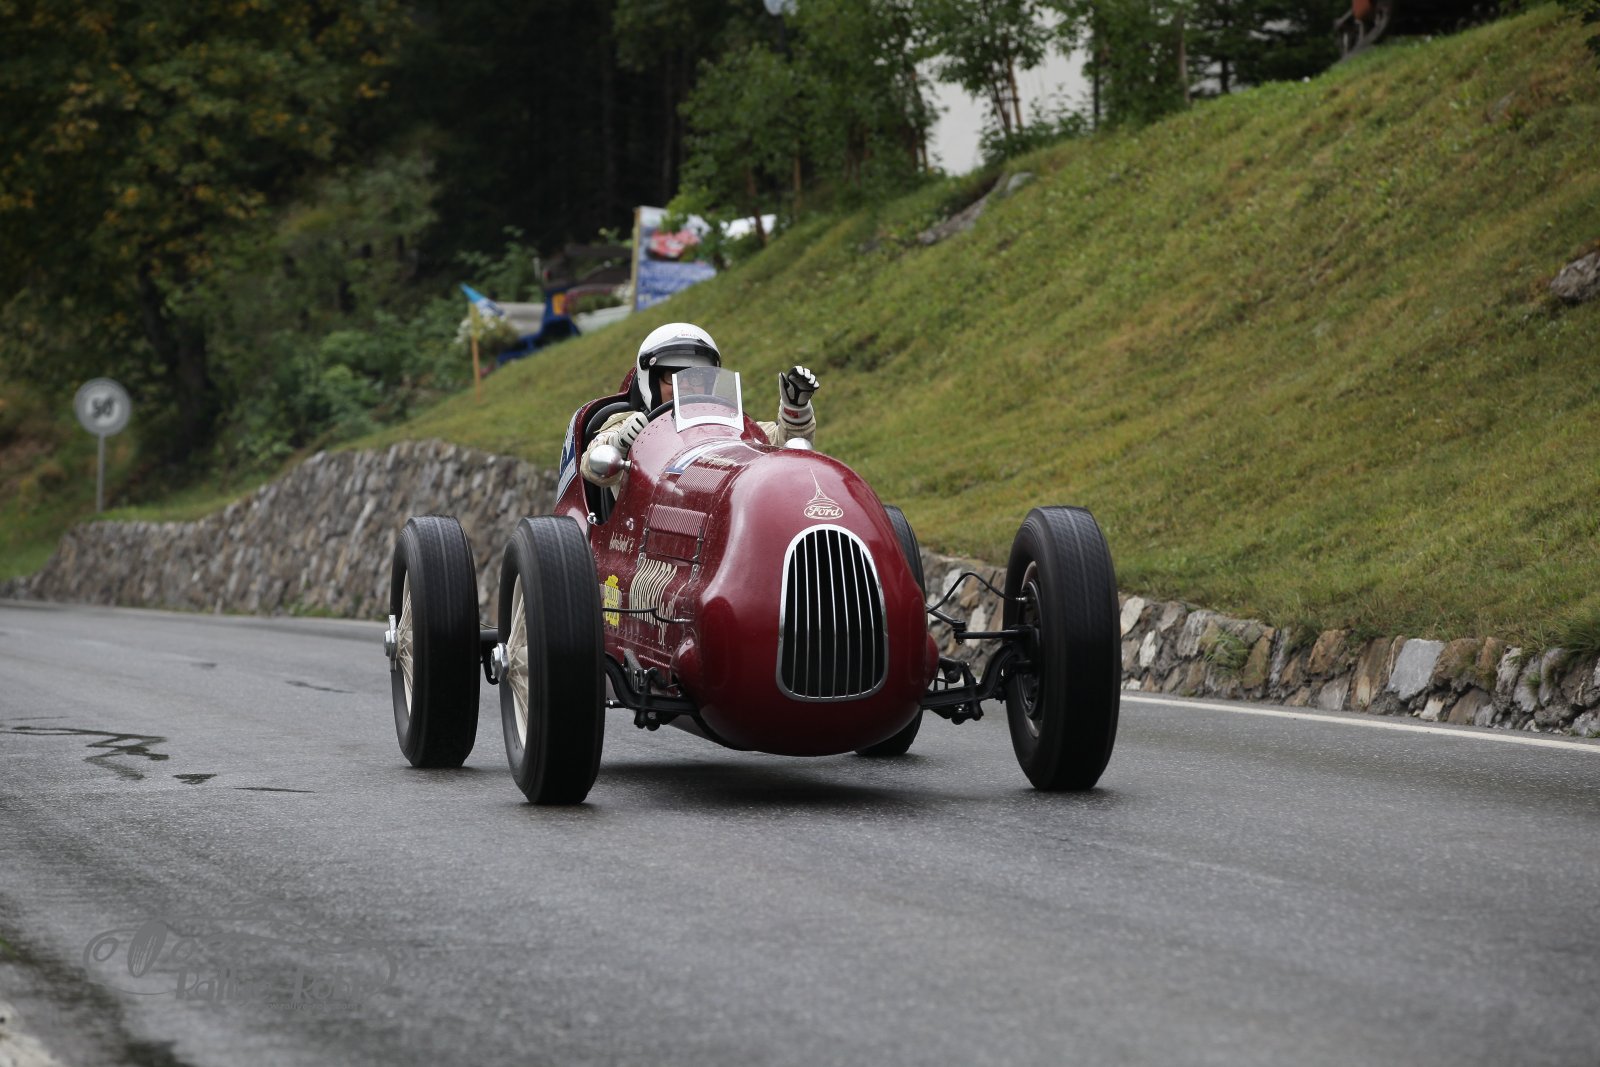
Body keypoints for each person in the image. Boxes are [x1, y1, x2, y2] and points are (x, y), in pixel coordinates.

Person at [582, 322, 820, 489]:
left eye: (697, 377)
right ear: (650, 381)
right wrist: (620, 443)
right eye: (672, 376)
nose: (685, 385)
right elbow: (592, 464)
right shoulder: (627, 424)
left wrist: (795, 408)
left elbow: (786, 449)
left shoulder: (730, 428)